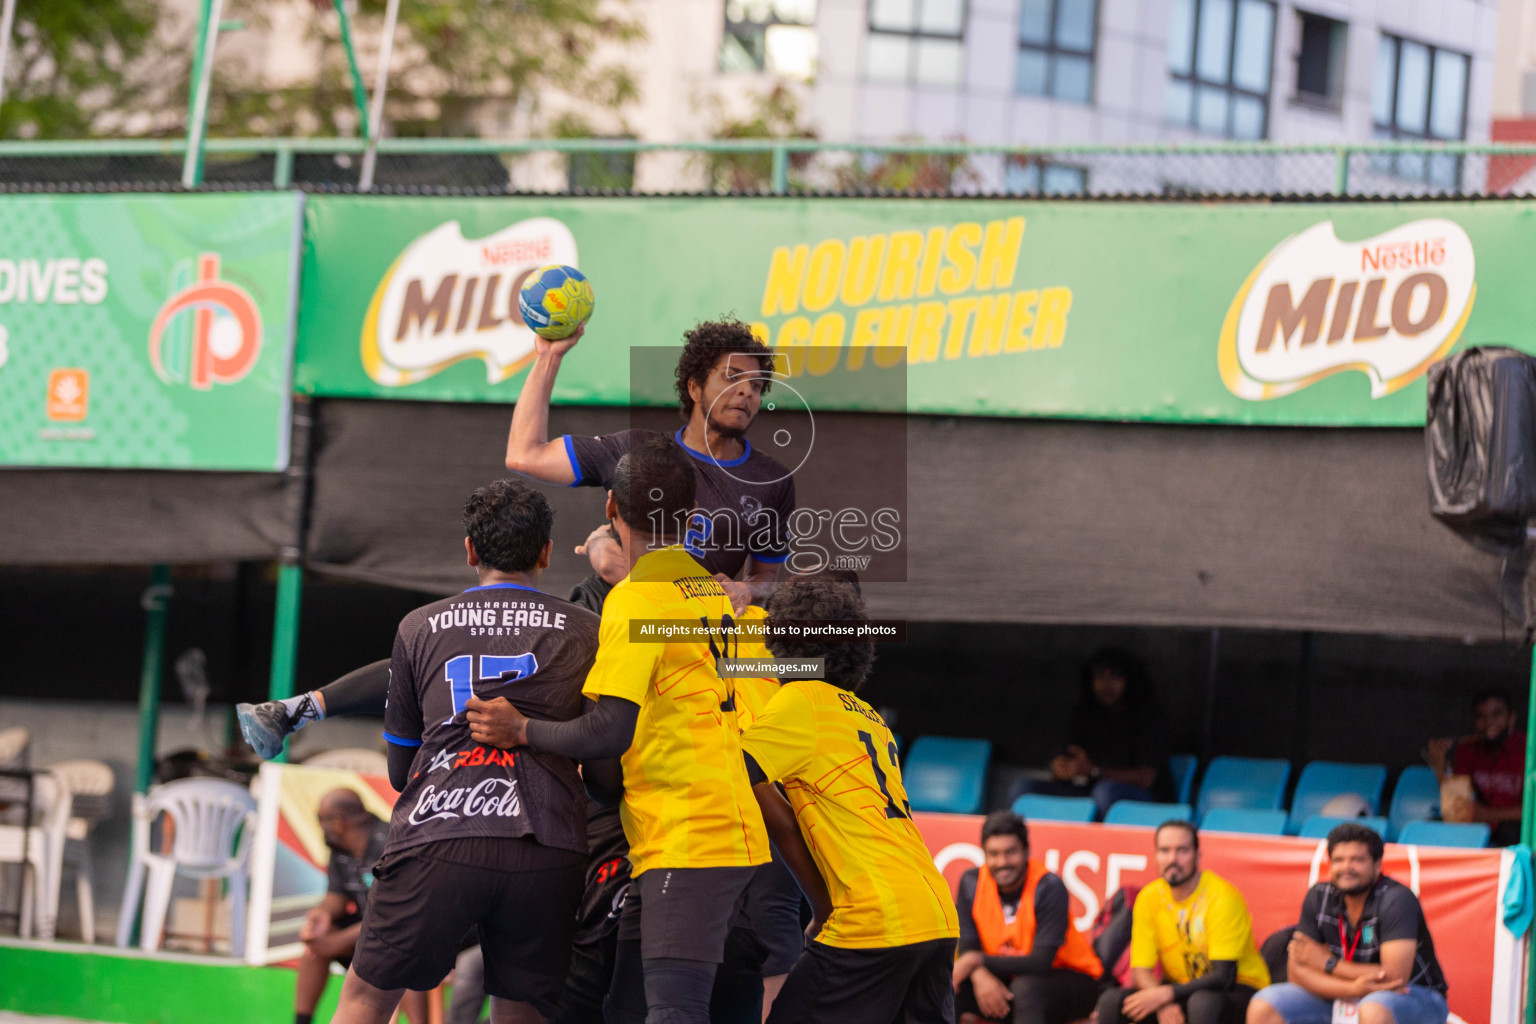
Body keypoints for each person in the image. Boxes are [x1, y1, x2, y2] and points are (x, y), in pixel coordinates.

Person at [235, 318, 796, 760]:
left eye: (757, 385)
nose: (746, 393)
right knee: (466, 645)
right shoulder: (641, 447)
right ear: (695, 384)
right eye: (731, 377)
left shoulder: (773, 480)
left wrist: (750, 593)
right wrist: (547, 357)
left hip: (684, 638)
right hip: (608, 615)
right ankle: (298, 709)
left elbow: (771, 583)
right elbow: (524, 454)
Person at [477, 437, 771, 1024]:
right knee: (630, 1008)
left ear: (610, 507)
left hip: (688, 840)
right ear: (691, 518)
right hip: (740, 842)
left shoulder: (635, 602)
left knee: (672, 1013)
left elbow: (610, 730)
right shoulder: (718, 598)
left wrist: (522, 730)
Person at [328, 479, 599, 1024]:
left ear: (470, 550)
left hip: (438, 830)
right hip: (548, 843)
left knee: (365, 998)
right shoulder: (587, 629)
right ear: (547, 552)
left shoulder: (418, 627)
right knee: (522, 1011)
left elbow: (402, 769)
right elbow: (604, 752)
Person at [739, 574, 960, 1024]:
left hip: (876, 920)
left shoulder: (800, 700)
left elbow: (733, 777)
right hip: (934, 916)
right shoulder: (870, 717)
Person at [1247, 823, 1449, 1024]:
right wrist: (1353, 989)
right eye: (1339, 860)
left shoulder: (1397, 899)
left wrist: (1327, 963)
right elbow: (1296, 971)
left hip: (1412, 996)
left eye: (1357, 860)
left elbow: (1395, 978)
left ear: (1377, 864)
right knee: (1264, 1004)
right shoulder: (1319, 895)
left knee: (1373, 1008)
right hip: (1342, 993)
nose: (1346, 868)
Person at [1097, 820, 1268, 1024]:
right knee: (1113, 1001)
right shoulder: (1148, 898)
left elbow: (1224, 976)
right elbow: (1140, 971)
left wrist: (1166, 994)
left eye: (1182, 850)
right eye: (1164, 850)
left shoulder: (1223, 897)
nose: (1172, 859)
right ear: (1155, 856)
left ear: (1198, 855)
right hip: (1180, 990)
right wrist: (1163, 1003)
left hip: (1239, 989)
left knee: (1203, 1003)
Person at [951, 811, 1102, 1024]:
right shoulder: (971, 883)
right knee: (952, 984)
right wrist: (980, 976)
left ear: (1026, 851)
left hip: (1071, 979)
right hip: (1008, 977)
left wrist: (977, 961)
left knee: (1026, 988)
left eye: (1010, 852)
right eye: (993, 854)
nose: (1002, 862)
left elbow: (1041, 962)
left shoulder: (1048, 886)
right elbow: (968, 949)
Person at [294, 789, 430, 1024]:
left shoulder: (391, 843)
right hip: (368, 935)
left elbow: (395, 916)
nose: (320, 828)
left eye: (321, 820)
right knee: (314, 948)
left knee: (403, 954)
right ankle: (301, 1021)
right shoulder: (340, 849)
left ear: (337, 824)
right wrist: (321, 915)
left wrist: (338, 941)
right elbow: (335, 898)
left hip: (406, 932)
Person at [1011, 648, 1172, 819]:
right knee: (1024, 788)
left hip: (1143, 799)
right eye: (1099, 675)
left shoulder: (1149, 716)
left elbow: (1146, 778)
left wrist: (1095, 771)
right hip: (1092, 792)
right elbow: (1073, 760)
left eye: (1115, 675)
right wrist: (1062, 769)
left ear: (1131, 679)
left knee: (1105, 791)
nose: (1106, 683)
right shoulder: (1087, 714)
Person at [1426, 688, 1524, 845]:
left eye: (1496, 714)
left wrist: (1485, 814)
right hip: (1478, 826)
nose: (1489, 722)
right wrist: (1440, 768)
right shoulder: (1467, 750)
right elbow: (1457, 810)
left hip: (1515, 830)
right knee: (1432, 829)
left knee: (1509, 831)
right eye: (1481, 717)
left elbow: (1530, 811)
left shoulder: (1528, 748)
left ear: (1511, 718)